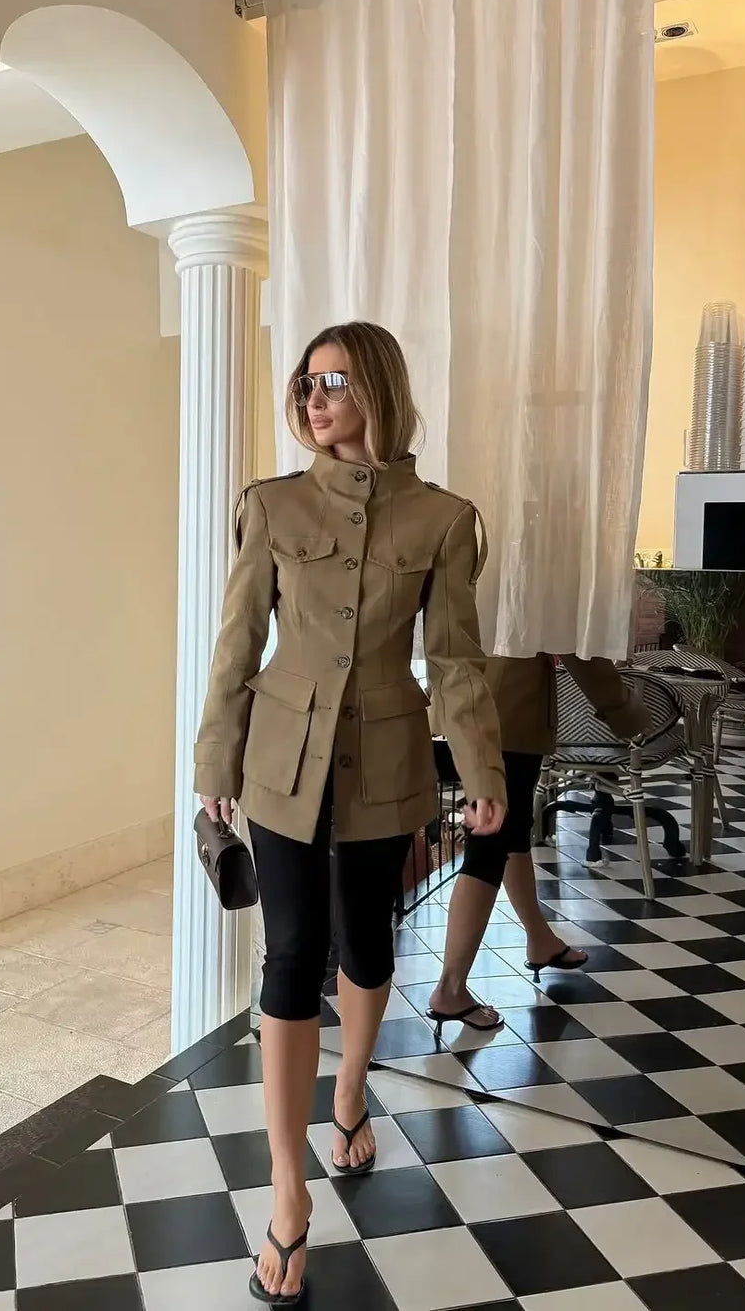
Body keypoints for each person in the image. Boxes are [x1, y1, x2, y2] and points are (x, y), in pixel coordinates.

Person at [195, 322, 506, 1306]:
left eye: (334, 380)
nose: (315, 396)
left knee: (366, 944)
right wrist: (214, 759)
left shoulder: (445, 520)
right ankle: (288, 1191)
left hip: (384, 761)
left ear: (377, 388)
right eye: (307, 381)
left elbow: (454, 660)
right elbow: (237, 642)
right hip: (279, 760)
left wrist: (482, 768)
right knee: (289, 953)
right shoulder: (270, 504)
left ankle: (350, 1081)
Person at [427, 653, 651, 1037]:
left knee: (511, 834)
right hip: (508, 715)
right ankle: (450, 989)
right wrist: (625, 709)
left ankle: (539, 938)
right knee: (489, 846)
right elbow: (576, 646)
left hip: (468, 705)